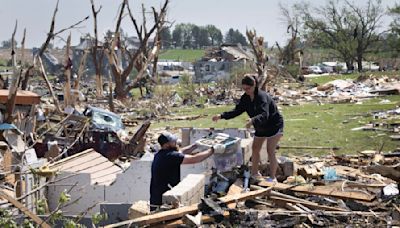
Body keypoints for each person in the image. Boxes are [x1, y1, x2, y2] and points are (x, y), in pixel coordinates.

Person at [212, 75, 284, 182]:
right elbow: (237, 111)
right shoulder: (245, 98)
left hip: (274, 125)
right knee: (255, 149)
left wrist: (252, 120)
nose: (246, 91)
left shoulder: (262, 97)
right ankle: (255, 174)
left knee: (270, 151)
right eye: (244, 89)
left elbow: (265, 114)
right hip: (261, 127)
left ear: (254, 85)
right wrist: (221, 116)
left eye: (248, 88)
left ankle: (272, 178)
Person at [150, 132, 214, 211]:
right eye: (173, 142)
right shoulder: (170, 156)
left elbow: (182, 152)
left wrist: (196, 145)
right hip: (163, 203)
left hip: (157, 199)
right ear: (166, 145)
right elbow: (195, 159)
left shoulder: (161, 154)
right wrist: (212, 150)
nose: (175, 142)